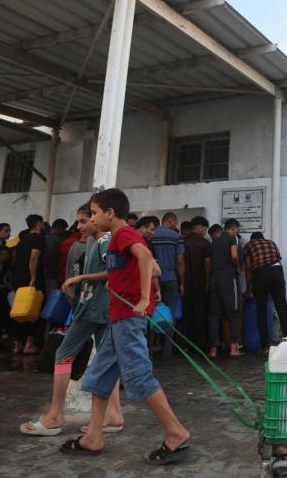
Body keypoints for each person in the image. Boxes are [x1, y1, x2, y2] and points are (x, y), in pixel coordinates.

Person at [60, 188, 190, 464]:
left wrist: (144, 296)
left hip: (128, 320)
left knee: (139, 376)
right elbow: (152, 268)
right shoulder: (117, 239)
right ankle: (93, 437)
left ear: (110, 213)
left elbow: (145, 259)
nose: (92, 219)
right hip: (118, 319)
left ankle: (175, 432)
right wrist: (119, 279)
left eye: (94, 214)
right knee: (99, 376)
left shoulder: (123, 234)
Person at [21, 202, 124, 436]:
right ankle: (114, 414)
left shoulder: (104, 241)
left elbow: (114, 271)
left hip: (93, 309)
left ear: (98, 218)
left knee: (63, 354)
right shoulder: (90, 241)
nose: (78, 226)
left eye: (84, 220)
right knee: (106, 359)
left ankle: (56, 415)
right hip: (98, 309)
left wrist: (82, 279)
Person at [244, 232, 287, 349]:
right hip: (277, 272)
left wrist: (248, 289)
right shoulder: (272, 243)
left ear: (252, 239)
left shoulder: (248, 245)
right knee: (282, 308)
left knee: (261, 310)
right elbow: (278, 260)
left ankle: (265, 346)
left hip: (261, 274)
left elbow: (248, 269)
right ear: (262, 238)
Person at [149, 212, 185, 360]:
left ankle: (149, 351)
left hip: (152, 279)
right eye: (175, 224)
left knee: (151, 314)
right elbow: (180, 262)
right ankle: (167, 352)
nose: (175, 227)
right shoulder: (177, 237)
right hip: (170, 278)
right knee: (170, 316)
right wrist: (182, 282)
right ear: (169, 221)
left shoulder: (151, 235)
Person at [208, 218, 242, 358]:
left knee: (214, 313)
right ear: (233, 228)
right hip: (228, 278)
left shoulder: (215, 240)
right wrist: (238, 267)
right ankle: (234, 348)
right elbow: (234, 255)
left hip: (214, 279)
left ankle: (213, 350)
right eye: (237, 229)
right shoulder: (232, 238)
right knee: (232, 312)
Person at [12, 214, 46, 354]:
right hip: (30, 278)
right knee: (32, 310)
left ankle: (17, 344)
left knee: (19, 311)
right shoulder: (38, 238)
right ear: (38, 224)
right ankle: (29, 344)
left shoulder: (22, 240)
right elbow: (34, 257)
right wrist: (33, 278)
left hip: (18, 278)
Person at [182, 216, 211, 350]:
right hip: (200, 282)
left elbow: (179, 263)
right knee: (200, 312)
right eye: (205, 229)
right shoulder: (205, 243)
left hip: (185, 283)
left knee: (187, 313)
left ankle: (187, 344)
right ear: (199, 227)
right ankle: (201, 343)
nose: (205, 232)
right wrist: (207, 281)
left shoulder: (182, 241)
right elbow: (207, 265)